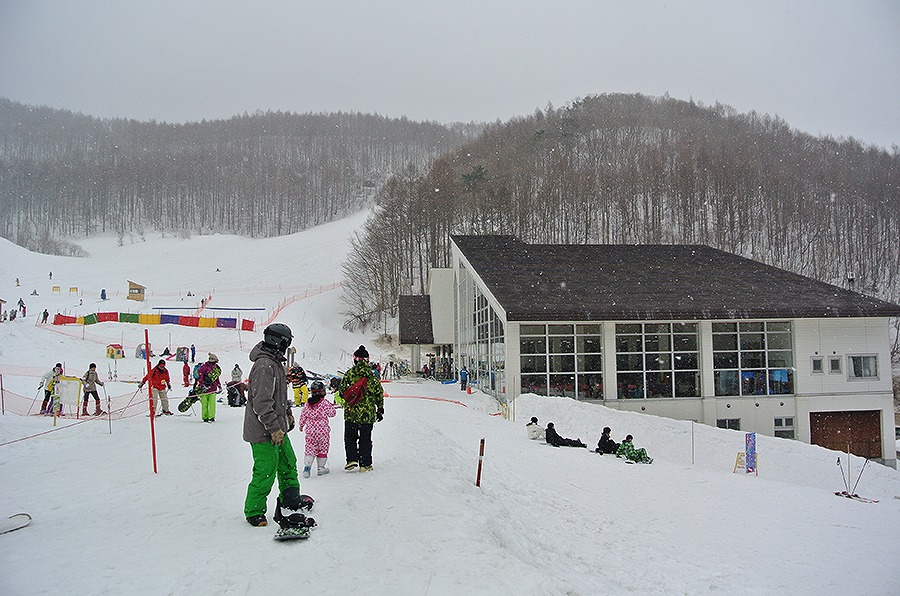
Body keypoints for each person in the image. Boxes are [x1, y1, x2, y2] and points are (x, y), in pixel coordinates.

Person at [243, 322, 302, 527]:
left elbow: (279, 397)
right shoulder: (264, 366)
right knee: (265, 469)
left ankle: (290, 497)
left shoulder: (275, 363)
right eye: (287, 342)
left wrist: (287, 414)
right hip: (263, 430)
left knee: (288, 462)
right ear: (279, 341)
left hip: (278, 427)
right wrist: (274, 428)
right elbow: (262, 403)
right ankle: (254, 510)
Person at [338, 345, 385, 472]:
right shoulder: (372, 376)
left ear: (355, 360)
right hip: (367, 414)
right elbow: (378, 393)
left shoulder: (349, 374)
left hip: (351, 412)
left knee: (350, 437)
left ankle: (351, 459)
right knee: (365, 439)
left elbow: (342, 392)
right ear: (367, 360)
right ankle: (365, 464)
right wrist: (380, 409)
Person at [298, 380, 337, 478]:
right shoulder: (324, 403)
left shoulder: (308, 404)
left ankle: (307, 467)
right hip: (323, 432)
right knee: (323, 449)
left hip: (311, 432)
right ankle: (321, 467)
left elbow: (303, 415)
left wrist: (301, 425)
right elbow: (332, 413)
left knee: (310, 449)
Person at [196, 353, 222, 422]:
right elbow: (200, 376)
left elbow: (216, 378)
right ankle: (205, 417)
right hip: (205, 389)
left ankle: (211, 417)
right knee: (205, 404)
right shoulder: (204, 367)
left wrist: (219, 386)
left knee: (211, 404)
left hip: (212, 389)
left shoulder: (215, 368)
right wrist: (202, 385)